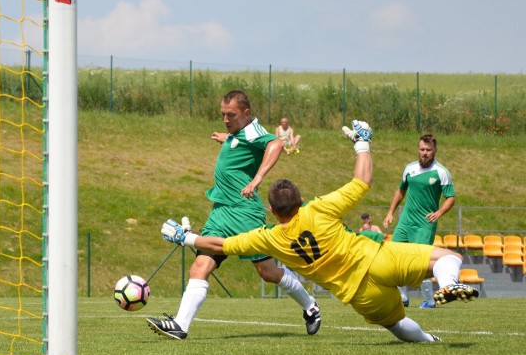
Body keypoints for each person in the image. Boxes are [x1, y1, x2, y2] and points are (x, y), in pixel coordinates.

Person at [161, 120, 478, 343]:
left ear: (271, 212)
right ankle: (449, 284)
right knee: (447, 257)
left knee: (396, 325)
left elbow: (221, 243)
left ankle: (427, 340)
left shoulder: (271, 237)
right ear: (300, 200)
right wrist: (362, 141)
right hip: (376, 260)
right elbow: (362, 180)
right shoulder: (318, 208)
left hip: (357, 295)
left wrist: (184, 237)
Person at [146, 90, 321, 340]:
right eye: (223, 115)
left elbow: (277, 144)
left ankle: (310, 306)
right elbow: (243, 140)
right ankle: (180, 326)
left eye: (231, 115)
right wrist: (228, 137)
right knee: (201, 265)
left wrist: (258, 178)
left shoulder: (253, 131)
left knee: (268, 273)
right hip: (220, 211)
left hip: (244, 212)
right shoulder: (239, 133)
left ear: (246, 113)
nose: (226, 119)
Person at [383, 134, 455, 309]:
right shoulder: (410, 169)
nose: (425, 153)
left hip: (424, 225)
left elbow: (450, 198)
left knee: (420, 263)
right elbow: (400, 191)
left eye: (428, 150)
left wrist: (438, 213)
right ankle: (402, 297)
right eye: (422, 149)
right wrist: (390, 212)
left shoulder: (441, 172)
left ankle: (429, 300)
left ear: (434, 151)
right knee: (393, 258)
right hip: (405, 222)